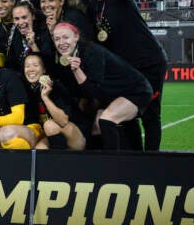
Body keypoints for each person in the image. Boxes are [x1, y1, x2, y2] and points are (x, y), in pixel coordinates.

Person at [87, 0, 167, 151]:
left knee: (150, 114)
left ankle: (152, 161)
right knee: (126, 115)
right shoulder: (95, 5)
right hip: (128, 69)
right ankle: (135, 157)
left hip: (149, 63)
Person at [52, 22, 152, 150]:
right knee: (96, 127)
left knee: (106, 120)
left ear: (76, 37)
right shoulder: (70, 56)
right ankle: (99, 162)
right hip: (113, 93)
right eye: (57, 39)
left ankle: (112, 164)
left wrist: (77, 71)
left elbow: (94, 92)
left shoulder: (92, 51)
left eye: (66, 37)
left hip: (135, 90)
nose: (61, 42)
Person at [21, 53, 85, 150]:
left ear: (44, 70)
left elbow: (63, 121)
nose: (31, 69)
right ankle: (56, 163)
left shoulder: (55, 86)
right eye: (27, 66)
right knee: (39, 149)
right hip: (53, 136)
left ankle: (61, 161)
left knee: (49, 125)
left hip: (77, 136)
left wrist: (45, 97)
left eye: (35, 65)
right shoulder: (30, 91)